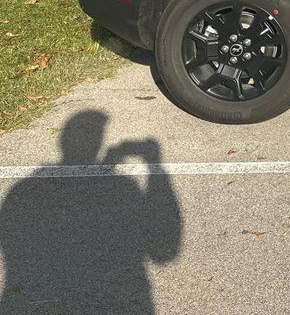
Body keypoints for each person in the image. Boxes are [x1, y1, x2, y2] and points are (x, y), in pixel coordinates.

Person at [0, 110, 182, 314]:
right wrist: (154, 164)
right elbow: (165, 251)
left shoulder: (20, 190)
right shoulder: (125, 187)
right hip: (120, 303)